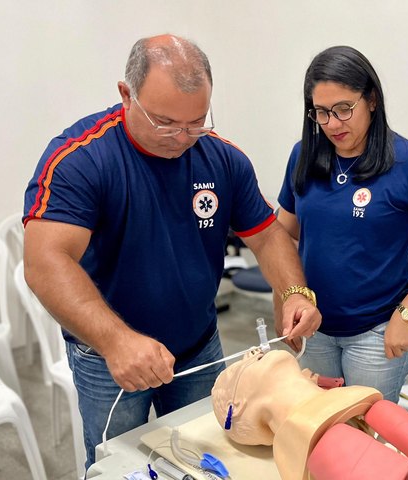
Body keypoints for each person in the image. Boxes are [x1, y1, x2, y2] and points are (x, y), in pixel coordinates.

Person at [22, 34, 321, 471]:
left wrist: (295, 291)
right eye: (165, 122)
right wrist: (117, 341)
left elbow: (268, 236)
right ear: (126, 94)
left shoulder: (221, 159)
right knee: (119, 464)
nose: (182, 138)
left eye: (196, 121)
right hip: (110, 356)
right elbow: (45, 264)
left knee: (205, 453)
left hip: (199, 346)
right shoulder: (81, 159)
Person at [275, 45, 408, 403]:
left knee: (364, 442)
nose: (332, 124)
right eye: (321, 113)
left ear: (372, 100)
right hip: (314, 328)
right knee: (316, 431)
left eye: (344, 109)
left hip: (377, 334)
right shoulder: (303, 155)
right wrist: (286, 300)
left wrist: (407, 315)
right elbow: (283, 236)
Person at [210, 348, 408, 480]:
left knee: (380, 410)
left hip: (342, 406)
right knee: (335, 436)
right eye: (238, 368)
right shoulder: (303, 433)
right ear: (239, 405)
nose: (249, 353)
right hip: (315, 427)